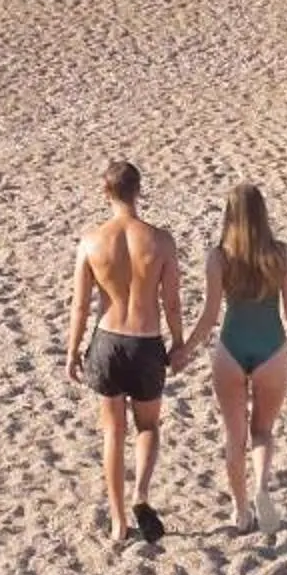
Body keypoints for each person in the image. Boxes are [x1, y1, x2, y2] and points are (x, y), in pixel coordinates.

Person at [65, 159, 185, 546]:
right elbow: (172, 303)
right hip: (146, 341)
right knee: (148, 426)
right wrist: (179, 342)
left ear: (106, 193)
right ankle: (141, 495)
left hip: (108, 342)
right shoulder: (161, 241)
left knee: (112, 432)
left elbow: (80, 306)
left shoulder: (90, 241)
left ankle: (118, 522)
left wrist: (72, 351)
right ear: (139, 190)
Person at [176, 183, 287, 534]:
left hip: (231, 349)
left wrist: (183, 351)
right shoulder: (282, 254)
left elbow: (209, 316)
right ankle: (262, 487)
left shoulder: (219, 257)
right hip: (272, 349)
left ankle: (241, 511)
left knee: (234, 438)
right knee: (262, 431)